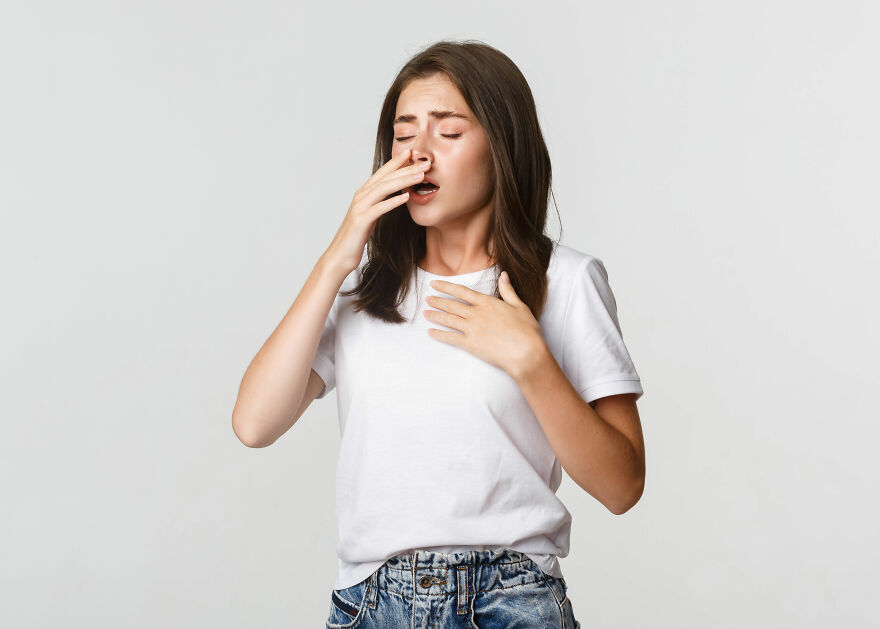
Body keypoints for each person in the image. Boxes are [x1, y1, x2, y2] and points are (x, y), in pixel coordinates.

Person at [232, 40, 645, 629]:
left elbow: (622, 486)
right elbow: (253, 424)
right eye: (404, 135)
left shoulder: (565, 282)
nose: (419, 155)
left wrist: (531, 361)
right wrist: (335, 260)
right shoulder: (361, 296)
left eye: (448, 133)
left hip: (510, 601)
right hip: (372, 606)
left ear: (502, 148)